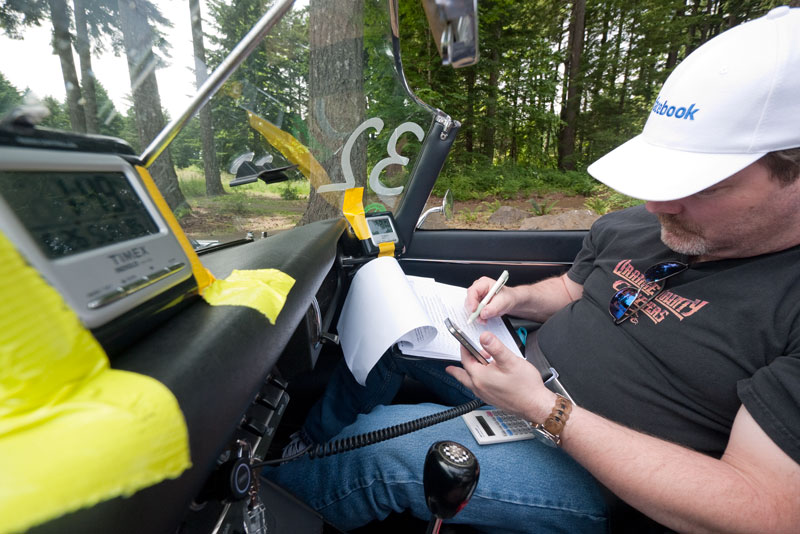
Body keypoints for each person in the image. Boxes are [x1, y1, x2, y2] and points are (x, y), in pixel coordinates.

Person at [264, 7, 800, 533]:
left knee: (379, 446)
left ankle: (266, 509)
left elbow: (762, 510)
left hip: (605, 474)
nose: (659, 205)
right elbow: (572, 288)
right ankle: (305, 452)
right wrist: (515, 300)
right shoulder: (640, 225)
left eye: (701, 185)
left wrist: (544, 409)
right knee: (392, 334)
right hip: (522, 373)